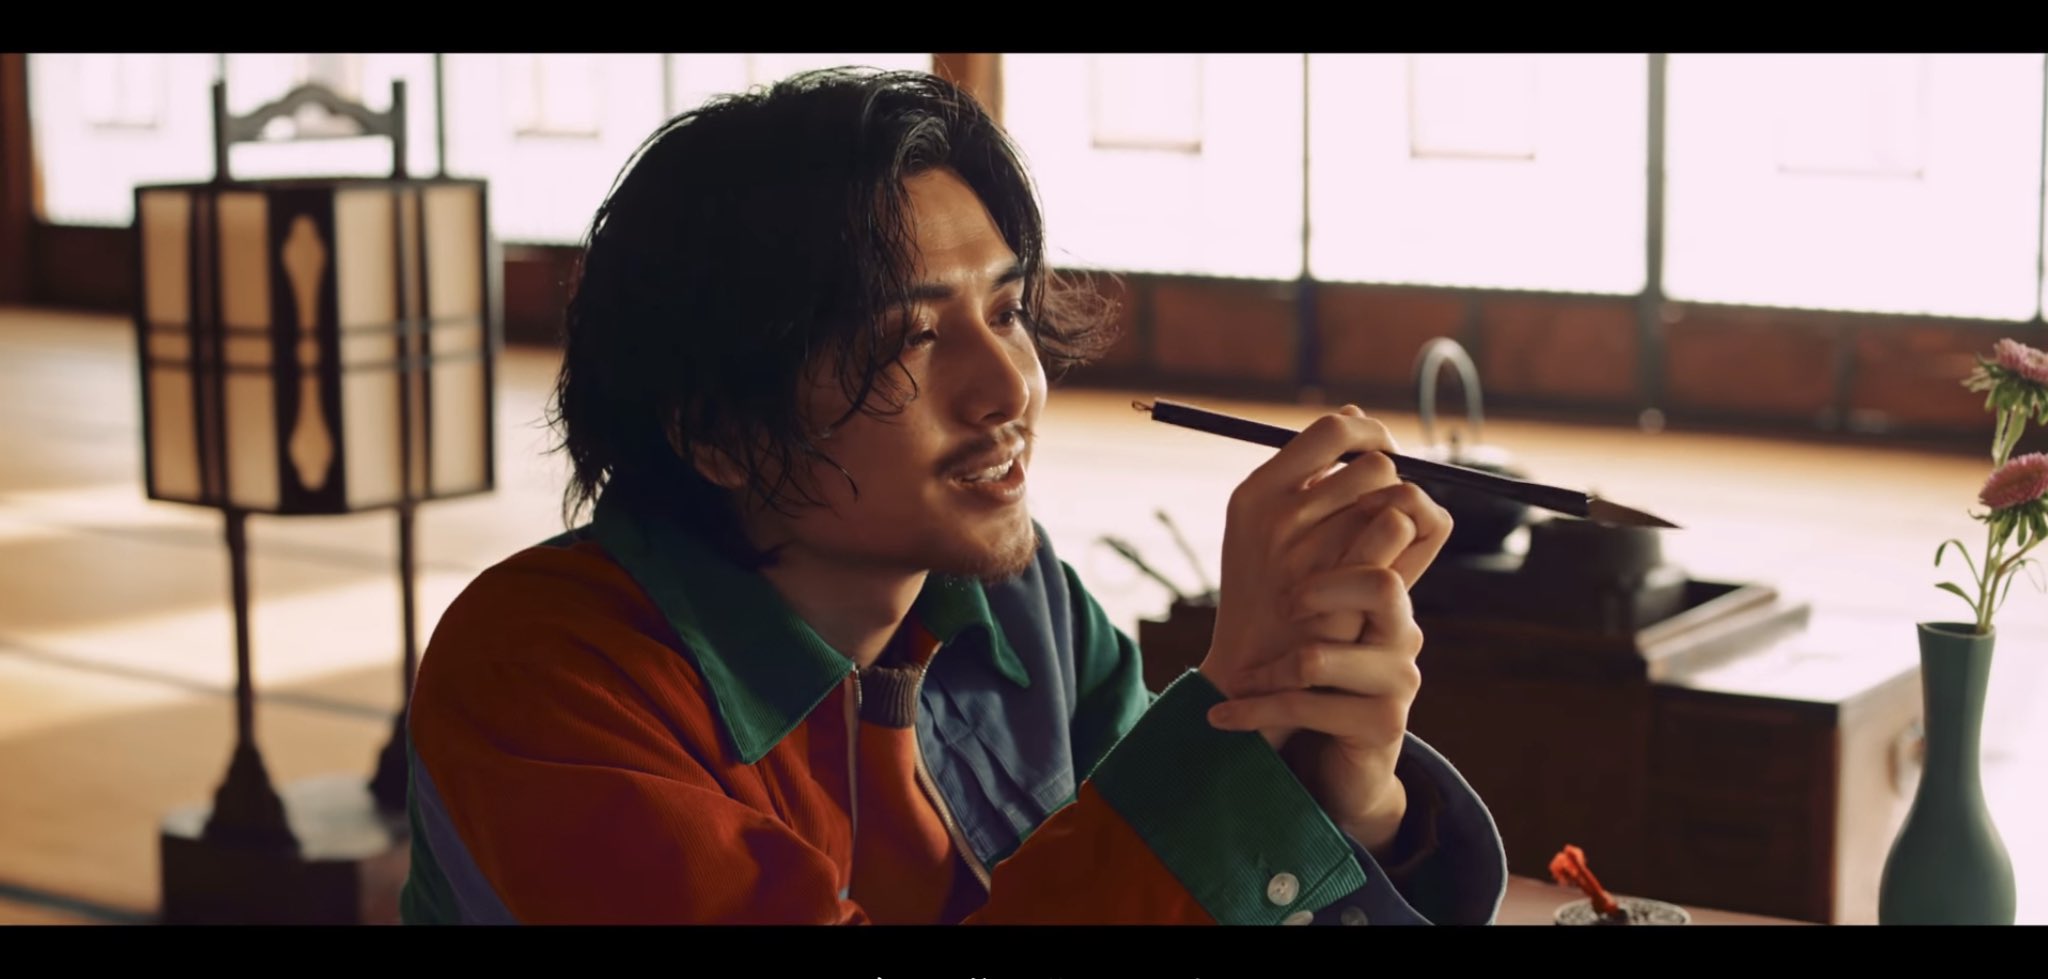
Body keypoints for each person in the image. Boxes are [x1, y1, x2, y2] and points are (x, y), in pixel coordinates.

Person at [399, 67, 1506, 925]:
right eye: (909, 337)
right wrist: (1230, 712)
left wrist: (1341, 791)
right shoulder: (543, 673)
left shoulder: (1021, 606)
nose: (1008, 388)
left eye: (1008, 311)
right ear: (721, 430)